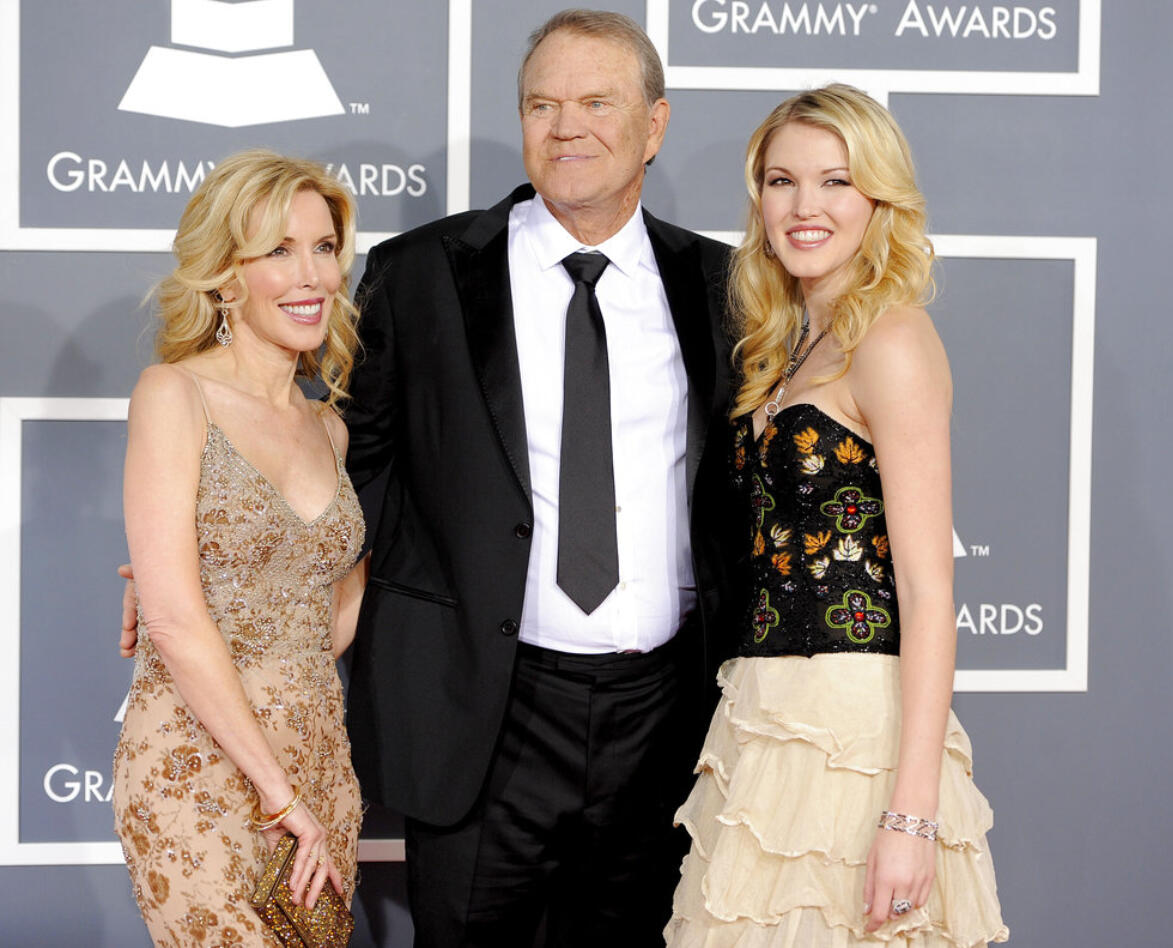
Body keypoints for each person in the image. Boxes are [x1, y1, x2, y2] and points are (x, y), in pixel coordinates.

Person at [341, 9, 733, 946]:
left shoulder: (723, 285)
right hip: (483, 709)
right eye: (542, 103)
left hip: (666, 717)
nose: (568, 127)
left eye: (598, 101)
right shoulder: (418, 275)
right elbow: (352, 474)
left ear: (655, 122)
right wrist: (229, 578)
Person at [664, 86, 1008, 945]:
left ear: (878, 201)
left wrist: (913, 815)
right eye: (782, 181)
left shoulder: (892, 339)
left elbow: (930, 590)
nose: (805, 206)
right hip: (760, 720)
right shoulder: (782, 350)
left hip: (855, 736)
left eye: (835, 182)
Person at [113, 150, 368, 946]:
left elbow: (332, 607)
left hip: (319, 763)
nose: (313, 275)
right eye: (279, 252)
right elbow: (177, 619)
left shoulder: (329, 426)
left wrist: (304, 786)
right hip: (201, 765)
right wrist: (277, 795)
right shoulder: (175, 394)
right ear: (226, 275)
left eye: (324, 248)